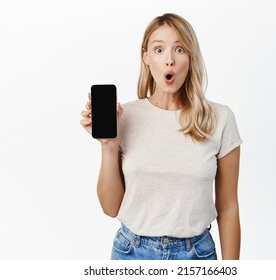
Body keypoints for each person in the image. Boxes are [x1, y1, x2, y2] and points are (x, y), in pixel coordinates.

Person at [80, 13, 243, 260]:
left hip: (196, 256)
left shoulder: (220, 119)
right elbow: (111, 208)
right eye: (159, 50)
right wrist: (108, 145)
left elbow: (228, 206)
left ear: (190, 57)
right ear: (146, 56)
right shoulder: (125, 116)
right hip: (131, 253)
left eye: (179, 49)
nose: (169, 60)